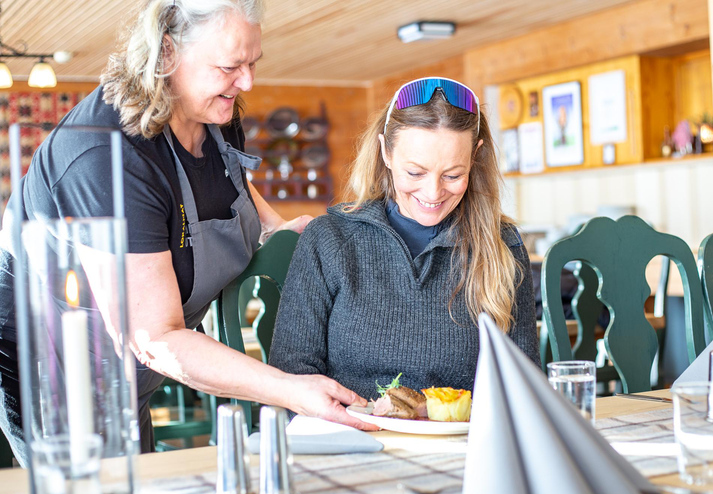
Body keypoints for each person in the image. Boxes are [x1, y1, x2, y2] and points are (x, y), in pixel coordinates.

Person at [0, 0, 375, 466]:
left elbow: (226, 185)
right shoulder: (105, 155)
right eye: (229, 66)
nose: (247, 83)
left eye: (253, 63)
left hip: (133, 373)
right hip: (58, 370)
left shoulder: (214, 114)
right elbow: (155, 337)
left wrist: (277, 228)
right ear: (166, 53)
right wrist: (288, 389)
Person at [269, 77, 539, 400]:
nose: (433, 192)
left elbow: (525, 387)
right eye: (415, 173)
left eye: (453, 175)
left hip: (463, 447)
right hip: (353, 442)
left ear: (475, 158)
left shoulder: (502, 247)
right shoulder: (329, 241)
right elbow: (290, 382)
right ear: (386, 152)